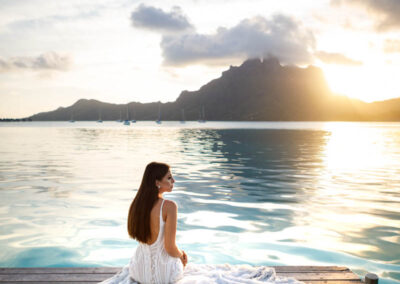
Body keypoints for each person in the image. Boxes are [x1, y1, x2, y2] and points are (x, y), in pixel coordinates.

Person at [127, 162, 187, 283]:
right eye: (169, 178)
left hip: (139, 271)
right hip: (164, 276)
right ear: (157, 182)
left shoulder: (137, 204)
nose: (173, 181)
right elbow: (170, 248)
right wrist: (181, 255)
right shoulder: (169, 206)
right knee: (179, 260)